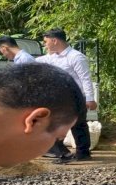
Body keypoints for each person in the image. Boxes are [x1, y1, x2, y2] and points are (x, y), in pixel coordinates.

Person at [36, 28, 96, 163]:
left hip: (75, 98)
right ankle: (64, 152)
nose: (45, 45)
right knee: (58, 124)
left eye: (46, 42)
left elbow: (85, 79)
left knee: (77, 125)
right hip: (60, 98)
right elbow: (38, 60)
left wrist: (90, 99)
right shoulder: (53, 57)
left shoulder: (76, 57)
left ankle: (81, 153)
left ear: (54, 41)